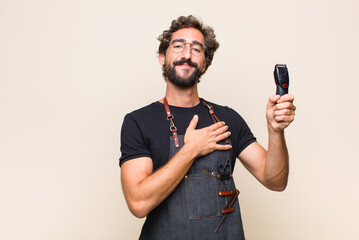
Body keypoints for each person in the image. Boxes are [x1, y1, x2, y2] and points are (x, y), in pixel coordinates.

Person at [119, 15, 296, 240]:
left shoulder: (227, 118)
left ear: (205, 62)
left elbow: (276, 181)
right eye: (178, 46)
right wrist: (191, 150)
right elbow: (138, 203)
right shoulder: (138, 122)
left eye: (196, 49)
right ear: (162, 57)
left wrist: (275, 130)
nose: (186, 55)